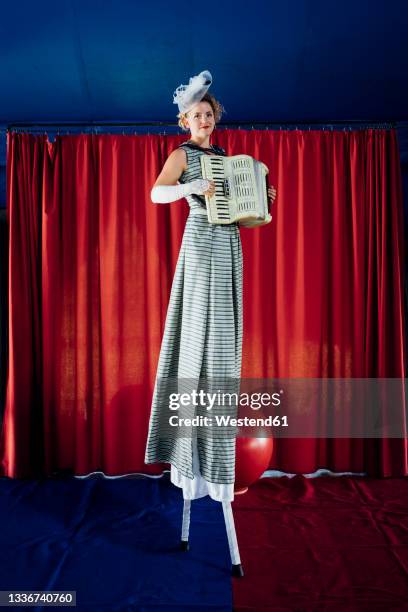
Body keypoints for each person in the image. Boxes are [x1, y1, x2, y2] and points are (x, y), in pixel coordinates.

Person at [144, 70, 277, 502]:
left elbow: (240, 213)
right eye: (195, 115)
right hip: (201, 240)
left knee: (223, 331)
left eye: (208, 114)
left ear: (214, 117)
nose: (203, 120)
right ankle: (187, 443)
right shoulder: (183, 154)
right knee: (197, 326)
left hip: (229, 242)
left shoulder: (226, 157)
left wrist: (261, 200)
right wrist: (189, 187)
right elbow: (156, 195)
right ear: (185, 121)